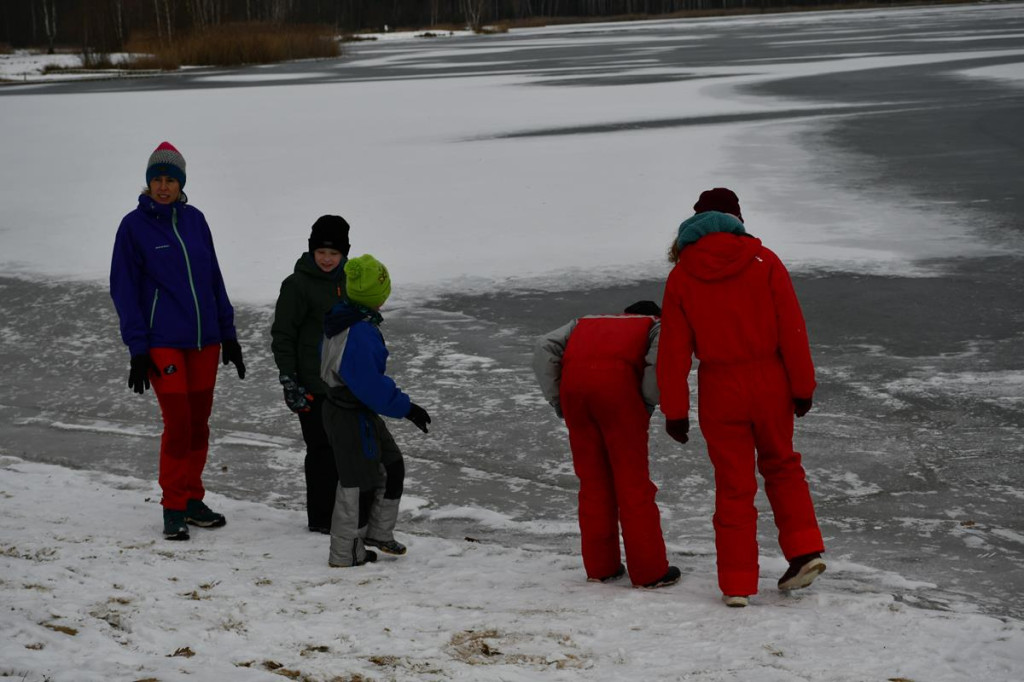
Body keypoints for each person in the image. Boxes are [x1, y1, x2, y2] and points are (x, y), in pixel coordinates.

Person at [657, 187, 825, 607]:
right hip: (769, 379)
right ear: (736, 219)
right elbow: (792, 328)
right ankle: (803, 552)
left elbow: (673, 350)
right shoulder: (764, 261)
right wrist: (802, 386)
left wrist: (675, 410)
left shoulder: (681, 274)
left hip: (720, 387)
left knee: (733, 486)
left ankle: (736, 584)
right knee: (783, 466)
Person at [109, 141, 246, 541]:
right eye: (157, 179)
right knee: (179, 423)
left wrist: (229, 334)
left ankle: (191, 498)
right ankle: (172, 506)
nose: (164, 187)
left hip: (205, 342)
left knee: (199, 425)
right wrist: (138, 348)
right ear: (148, 183)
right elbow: (124, 289)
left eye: (170, 180)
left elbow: (213, 279)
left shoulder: (195, 220)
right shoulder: (133, 227)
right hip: (163, 341)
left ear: (181, 183)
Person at [533, 301, 680, 589]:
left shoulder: (583, 322)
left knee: (593, 483)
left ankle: (601, 567)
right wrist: (649, 399)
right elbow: (660, 360)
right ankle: (649, 572)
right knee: (632, 485)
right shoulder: (655, 325)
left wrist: (557, 398)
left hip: (576, 395)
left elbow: (543, 346)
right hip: (619, 396)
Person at [319, 254, 431, 567]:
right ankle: (344, 553)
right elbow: (368, 385)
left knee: (391, 464)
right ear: (376, 297)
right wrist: (407, 408)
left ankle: (378, 533)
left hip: (358, 411)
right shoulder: (358, 332)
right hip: (348, 412)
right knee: (357, 483)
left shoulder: (349, 318)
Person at [271, 215, 351, 534]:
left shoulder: (351, 280)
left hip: (345, 383)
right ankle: (321, 519)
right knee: (320, 450)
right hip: (312, 384)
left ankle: (346, 513)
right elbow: (283, 334)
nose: (327, 259)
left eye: (333, 253)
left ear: (345, 252)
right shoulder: (297, 285)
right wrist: (289, 379)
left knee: (347, 449)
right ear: (311, 251)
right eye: (321, 252)